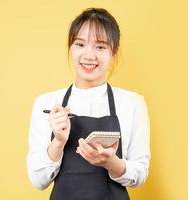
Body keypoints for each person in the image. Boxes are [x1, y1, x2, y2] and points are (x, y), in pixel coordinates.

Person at [26, 8, 150, 200]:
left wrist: (112, 163)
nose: (89, 55)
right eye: (80, 44)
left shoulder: (132, 103)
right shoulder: (46, 103)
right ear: (70, 47)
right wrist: (58, 142)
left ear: (113, 51)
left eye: (100, 47)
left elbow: (140, 173)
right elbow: (38, 181)